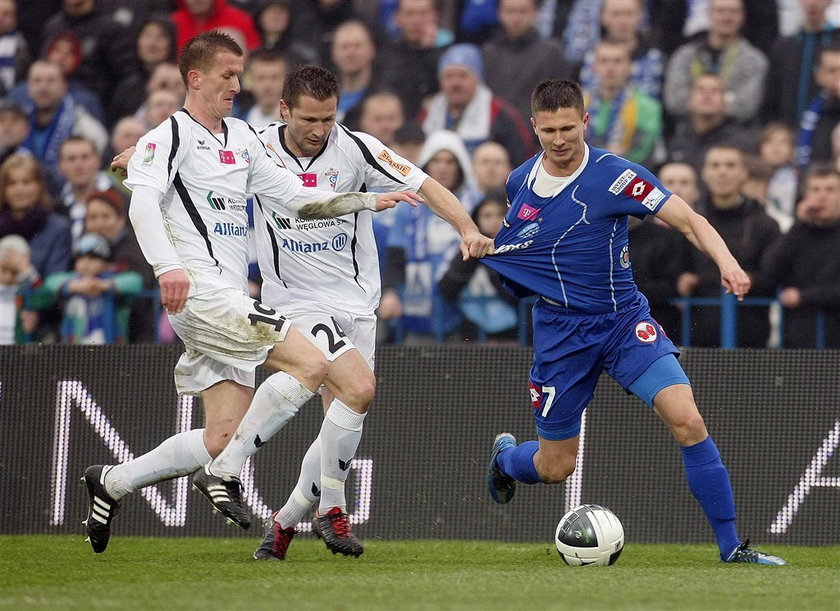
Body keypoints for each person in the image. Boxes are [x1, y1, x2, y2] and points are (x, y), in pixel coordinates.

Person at [80, 31, 421, 555]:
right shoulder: (168, 135)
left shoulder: (239, 137)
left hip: (227, 298)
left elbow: (297, 198)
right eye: (228, 76)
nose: (238, 86)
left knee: (220, 432)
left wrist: (370, 201)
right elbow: (142, 204)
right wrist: (168, 266)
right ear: (194, 78)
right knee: (311, 366)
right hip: (202, 292)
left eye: (239, 76)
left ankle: (114, 481)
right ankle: (226, 475)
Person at [481, 79, 786, 565]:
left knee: (687, 419)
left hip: (624, 322)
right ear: (535, 128)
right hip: (561, 335)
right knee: (555, 466)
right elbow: (521, 255)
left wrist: (727, 263)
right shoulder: (520, 182)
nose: (560, 140)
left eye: (568, 128)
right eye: (548, 131)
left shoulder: (616, 176)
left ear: (585, 122)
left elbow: (688, 218)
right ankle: (505, 460)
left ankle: (733, 548)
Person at [202, 65, 493, 561]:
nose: (319, 131)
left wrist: (466, 227)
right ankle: (292, 493)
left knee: (345, 412)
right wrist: (140, 158)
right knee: (359, 388)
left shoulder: (355, 147)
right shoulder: (252, 146)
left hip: (358, 303)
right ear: (284, 110)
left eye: (328, 119)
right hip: (294, 299)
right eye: (309, 120)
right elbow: (188, 153)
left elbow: (425, 184)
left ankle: (283, 524)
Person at [678, 145, 780, 348]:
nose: (722, 171)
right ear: (704, 174)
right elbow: (675, 267)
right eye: (715, 165)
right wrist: (681, 278)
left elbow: (774, 274)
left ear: (744, 174)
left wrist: (751, 279)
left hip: (751, 336)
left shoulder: (765, 224)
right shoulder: (687, 221)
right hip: (696, 334)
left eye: (730, 165)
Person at [417, 43, 536, 166]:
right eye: (449, 76)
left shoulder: (499, 114)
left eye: (463, 76)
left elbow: (522, 159)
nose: (455, 83)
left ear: (477, 78)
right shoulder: (429, 111)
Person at [762, 164, 840, 348]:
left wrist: (804, 297)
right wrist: (798, 225)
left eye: (830, 189)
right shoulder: (798, 232)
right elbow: (770, 269)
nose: (822, 196)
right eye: (815, 189)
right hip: (801, 339)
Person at [663, 0, 768, 126]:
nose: (727, 17)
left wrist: (699, 101)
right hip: (689, 136)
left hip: (736, 137)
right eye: (720, 11)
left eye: (733, 12)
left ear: (743, 17)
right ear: (709, 14)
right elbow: (674, 101)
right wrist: (727, 99)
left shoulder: (755, 61)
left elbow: (747, 106)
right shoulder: (684, 56)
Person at [480, 0, 572, 124]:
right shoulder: (487, 53)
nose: (516, 18)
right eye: (510, 11)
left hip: (538, 132)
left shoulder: (552, 53)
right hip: (495, 131)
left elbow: (562, 101)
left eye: (523, 11)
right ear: (499, 14)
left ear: (535, 12)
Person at [84, 188, 157, 343]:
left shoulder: (134, 246)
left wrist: (104, 276)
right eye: (93, 217)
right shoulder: (83, 248)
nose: (99, 223)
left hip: (137, 332)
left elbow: (142, 280)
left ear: (120, 219)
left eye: (106, 216)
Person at [42, 232, 143, 344]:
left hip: (110, 348)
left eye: (93, 258)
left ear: (106, 263)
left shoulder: (111, 280)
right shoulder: (72, 279)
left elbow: (136, 281)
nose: (86, 263)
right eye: (81, 258)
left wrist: (103, 286)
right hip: (74, 348)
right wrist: (76, 286)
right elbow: (50, 282)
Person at [582, 39, 662, 167]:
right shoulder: (580, 103)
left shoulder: (648, 107)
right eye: (604, 61)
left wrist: (614, 158)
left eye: (617, 61)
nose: (610, 67)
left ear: (630, 66)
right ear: (594, 66)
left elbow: (642, 151)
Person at [666, 73, 755, 173]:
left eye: (715, 91)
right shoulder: (677, 140)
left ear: (725, 102)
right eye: (700, 90)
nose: (707, 96)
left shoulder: (740, 143)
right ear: (688, 100)